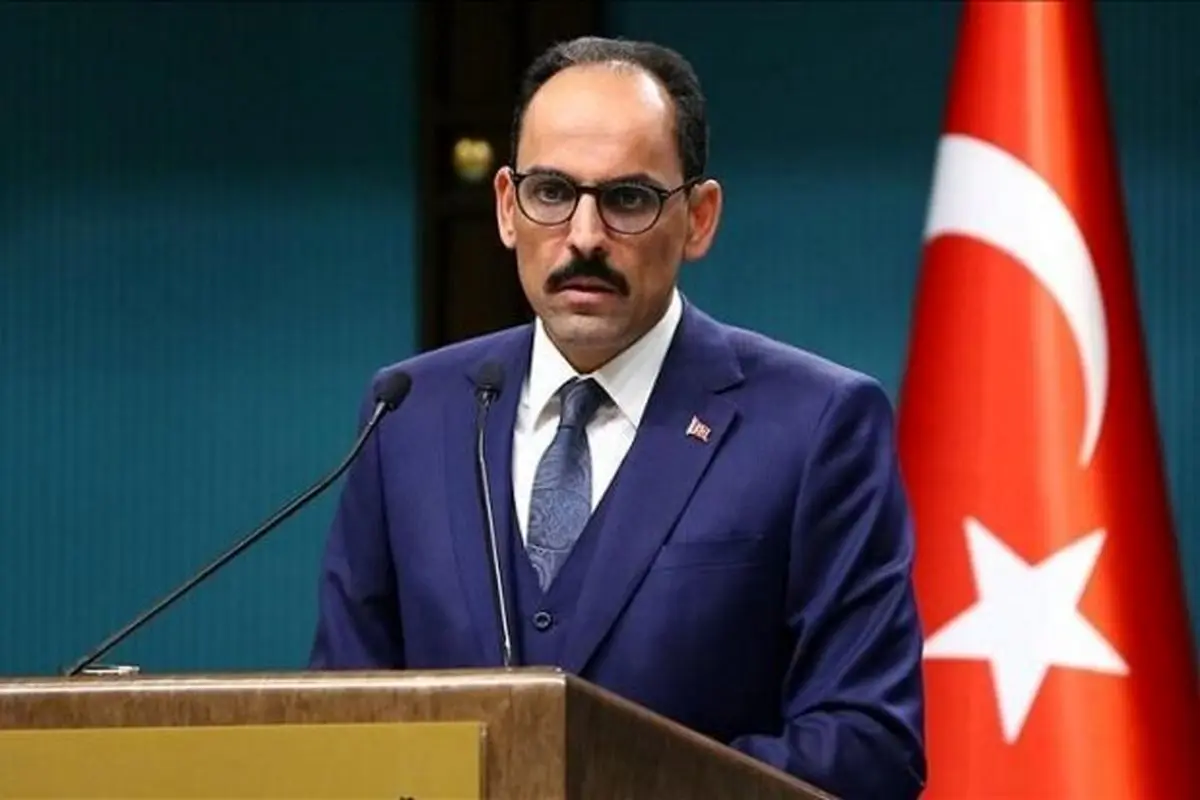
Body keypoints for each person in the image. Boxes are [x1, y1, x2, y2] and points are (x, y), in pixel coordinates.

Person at [309, 36, 926, 799]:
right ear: (506, 207)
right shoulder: (407, 414)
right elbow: (342, 723)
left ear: (699, 218)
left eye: (627, 199)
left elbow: (870, 745)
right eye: (551, 192)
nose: (584, 236)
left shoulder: (816, 424)